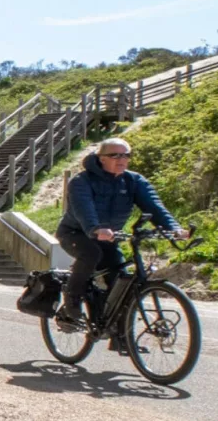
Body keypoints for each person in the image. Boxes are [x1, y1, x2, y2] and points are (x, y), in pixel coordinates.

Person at [55, 138, 187, 331]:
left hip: (109, 237)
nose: (121, 159)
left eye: (126, 155)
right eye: (115, 155)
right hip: (76, 233)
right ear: (101, 158)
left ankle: (120, 336)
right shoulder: (81, 181)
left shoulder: (134, 180)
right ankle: (72, 299)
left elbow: (154, 206)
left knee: (120, 283)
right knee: (91, 253)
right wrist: (95, 228)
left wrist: (174, 229)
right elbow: (84, 209)